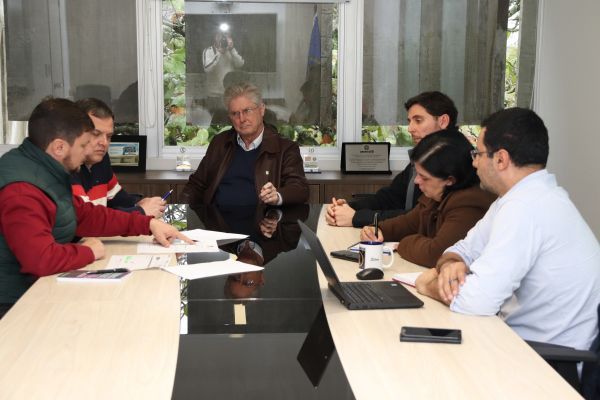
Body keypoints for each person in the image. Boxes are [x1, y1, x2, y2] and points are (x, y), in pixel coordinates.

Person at [415, 108, 600, 351]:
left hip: (545, 359)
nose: (474, 163)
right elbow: (463, 248)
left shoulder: (526, 207)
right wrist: (451, 264)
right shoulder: (520, 197)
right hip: (518, 341)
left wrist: (428, 284)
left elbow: (476, 301)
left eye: (478, 154)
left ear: (501, 159)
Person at [0, 98, 191, 314]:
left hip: (37, 289)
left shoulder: (45, 169)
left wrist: (147, 224)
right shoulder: (21, 190)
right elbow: (41, 259)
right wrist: (88, 251)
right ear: (59, 147)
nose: (86, 152)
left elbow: (85, 215)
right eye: (83, 145)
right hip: (14, 304)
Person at [360, 129, 495, 267]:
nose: (416, 181)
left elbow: (435, 254)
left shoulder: (469, 204)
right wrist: (377, 230)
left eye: (424, 177)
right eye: (417, 174)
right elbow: (408, 223)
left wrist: (403, 244)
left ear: (450, 180)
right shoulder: (439, 193)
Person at [326, 91, 459, 228]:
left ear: (443, 121)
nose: (410, 129)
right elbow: (391, 197)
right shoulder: (423, 157)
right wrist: (348, 207)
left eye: (418, 121)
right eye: (410, 121)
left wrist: (356, 217)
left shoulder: (454, 162)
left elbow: (418, 217)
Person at [181, 83, 309, 206]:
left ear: (262, 109)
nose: (242, 119)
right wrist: (184, 209)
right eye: (235, 113)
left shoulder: (285, 148)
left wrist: (277, 196)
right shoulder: (220, 143)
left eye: (247, 111)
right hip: (217, 218)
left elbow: (300, 189)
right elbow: (196, 185)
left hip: (263, 219)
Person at [71, 98, 166, 218]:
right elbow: (87, 218)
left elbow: (117, 198)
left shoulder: (101, 159)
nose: (104, 142)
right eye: (96, 134)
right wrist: (140, 211)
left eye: (109, 136)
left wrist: (138, 203)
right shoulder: (67, 166)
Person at [202, 30, 244, 112]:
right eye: (221, 36)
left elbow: (240, 64)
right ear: (215, 37)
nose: (223, 38)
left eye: (226, 36)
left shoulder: (232, 52)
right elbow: (207, 69)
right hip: (214, 96)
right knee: (215, 119)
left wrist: (232, 49)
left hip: (230, 95)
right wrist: (219, 53)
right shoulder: (209, 51)